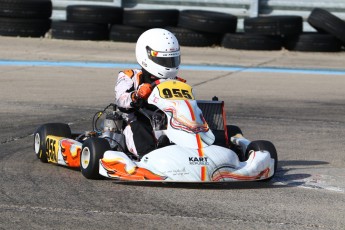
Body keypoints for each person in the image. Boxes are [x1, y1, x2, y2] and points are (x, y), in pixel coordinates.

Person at [114, 28, 186, 158]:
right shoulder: (129, 76)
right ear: (146, 55)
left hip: (168, 124)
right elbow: (120, 100)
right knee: (141, 126)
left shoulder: (177, 83)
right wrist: (137, 95)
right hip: (137, 124)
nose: (169, 65)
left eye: (171, 60)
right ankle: (150, 157)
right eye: (164, 61)